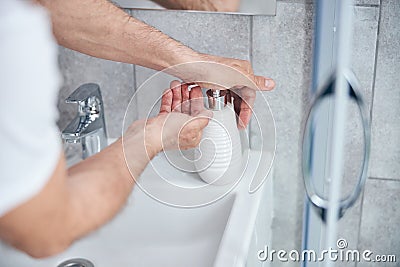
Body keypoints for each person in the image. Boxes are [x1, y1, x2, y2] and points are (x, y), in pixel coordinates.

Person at [0, 0, 274, 258]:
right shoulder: (14, 44)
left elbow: (51, 5)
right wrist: (150, 137)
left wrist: (192, 65)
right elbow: (45, 229)